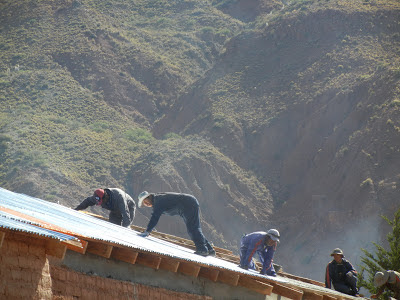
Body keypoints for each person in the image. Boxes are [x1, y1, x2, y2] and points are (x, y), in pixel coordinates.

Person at [137, 191, 215, 257]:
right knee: (194, 228)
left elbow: (155, 217)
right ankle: (210, 250)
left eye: (145, 202)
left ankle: (202, 250)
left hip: (188, 204)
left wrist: (147, 231)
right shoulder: (157, 199)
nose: (146, 204)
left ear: (148, 197)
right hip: (187, 205)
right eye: (144, 204)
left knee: (193, 229)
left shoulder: (158, 201)